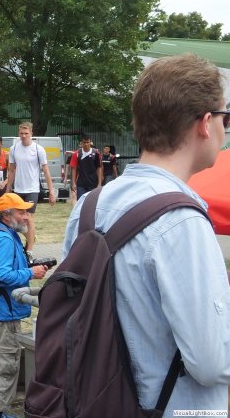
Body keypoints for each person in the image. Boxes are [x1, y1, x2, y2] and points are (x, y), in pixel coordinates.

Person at [62, 54, 230, 415]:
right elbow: (211, 362)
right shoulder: (183, 220)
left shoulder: (89, 206)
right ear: (205, 123)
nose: (225, 128)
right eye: (225, 118)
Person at [0, 193, 47, 418]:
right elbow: (2, 276)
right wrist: (31, 273)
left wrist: (29, 267)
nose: (26, 216)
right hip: (1, 316)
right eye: (21, 212)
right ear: (6, 216)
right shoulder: (4, 239)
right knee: (5, 367)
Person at [6, 122, 56, 259]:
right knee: (16, 220)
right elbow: (11, 170)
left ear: (31, 134)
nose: (23, 136)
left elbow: (46, 171)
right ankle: (31, 236)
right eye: (21, 133)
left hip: (32, 189)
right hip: (18, 189)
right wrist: (8, 190)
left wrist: (51, 192)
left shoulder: (38, 149)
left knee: (28, 218)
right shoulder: (14, 148)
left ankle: (29, 252)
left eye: (26, 133)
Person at [69, 133, 102, 199]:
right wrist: (73, 183)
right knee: (81, 202)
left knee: (92, 202)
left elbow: (99, 168)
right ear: (81, 143)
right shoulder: (77, 154)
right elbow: (74, 169)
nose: (86, 144)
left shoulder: (96, 153)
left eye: (87, 142)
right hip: (81, 184)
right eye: (84, 142)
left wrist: (99, 183)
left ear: (90, 142)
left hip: (93, 183)